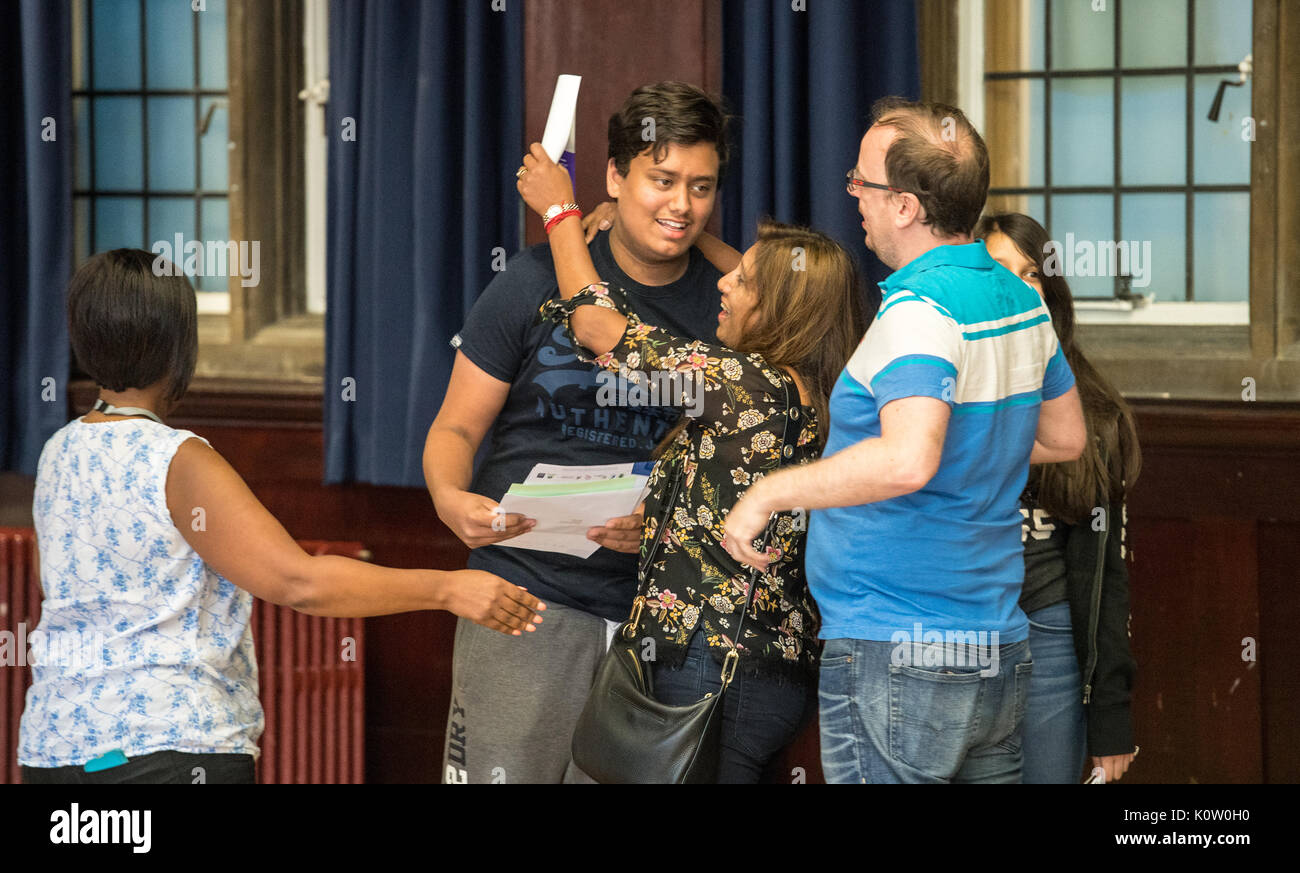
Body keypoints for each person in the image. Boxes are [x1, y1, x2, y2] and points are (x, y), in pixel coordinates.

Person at [18, 249, 544, 785]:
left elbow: (53, 584)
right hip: (170, 750)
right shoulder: (177, 460)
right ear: (179, 346)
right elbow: (300, 582)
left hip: (53, 752)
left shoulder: (58, 451)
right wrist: (449, 590)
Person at [722, 98, 1088, 784]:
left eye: (863, 183)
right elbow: (1064, 435)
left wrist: (767, 491)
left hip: (897, 647)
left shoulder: (917, 311)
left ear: (907, 206)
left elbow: (907, 457)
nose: (853, 196)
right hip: (996, 641)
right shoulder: (1019, 299)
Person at [516, 140, 867, 782]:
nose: (724, 284)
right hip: (767, 666)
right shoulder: (818, 394)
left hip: (709, 666)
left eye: (745, 281)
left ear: (781, 306)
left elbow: (597, 328)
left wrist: (560, 210)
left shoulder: (742, 382)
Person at [425, 82, 732, 783]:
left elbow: (744, 452)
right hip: (523, 595)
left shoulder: (726, 303)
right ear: (615, 177)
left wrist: (658, 518)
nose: (681, 205)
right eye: (661, 180)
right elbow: (455, 425)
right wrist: (449, 498)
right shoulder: (532, 281)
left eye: (702, 186)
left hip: (656, 619)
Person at [975, 212, 1140, 783]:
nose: (1016, 289)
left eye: (1030, 277)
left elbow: (1106, 577)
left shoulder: (1092, 414)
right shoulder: (938, 388)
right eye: (998, 273)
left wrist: (1112, 718)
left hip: (1046, 634)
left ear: (1050, 298)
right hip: (952, 635)